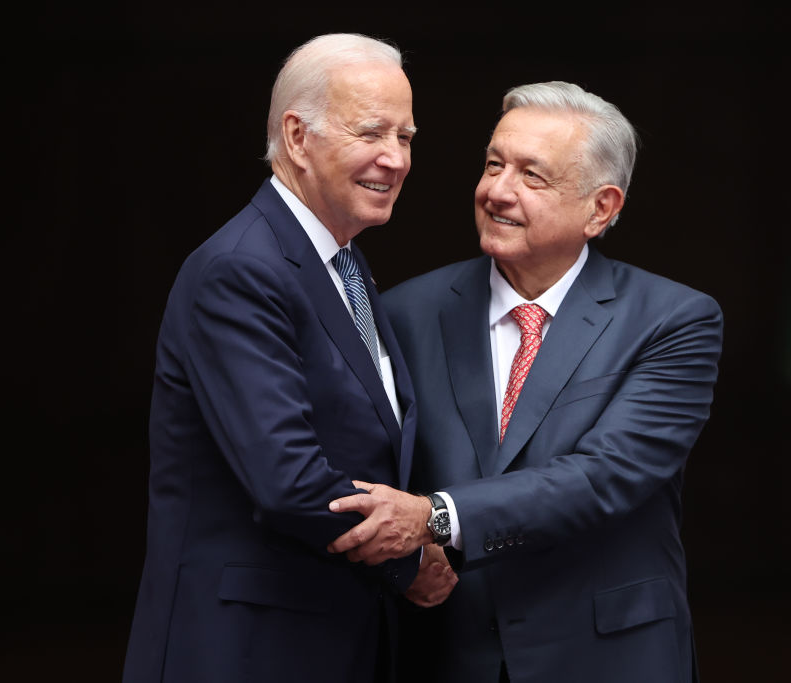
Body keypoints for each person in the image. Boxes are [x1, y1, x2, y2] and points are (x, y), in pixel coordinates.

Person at [327, 81, 723, 682]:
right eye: (493, 165)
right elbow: (370, 470)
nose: (496, 192)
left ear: (602, 208)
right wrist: (401, 566)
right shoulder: (404, 313)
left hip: (607, 655)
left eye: (532, 176)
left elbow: (606, 475)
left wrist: (436, 516)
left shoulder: (672, 320)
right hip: (446, 650)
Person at [123, 33, 454, 683]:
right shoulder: (241, 269)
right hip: (245, 649)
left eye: (407, 137)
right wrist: (409, 559)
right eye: (371, 133)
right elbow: (290, 480)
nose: (395, 159)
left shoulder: (345, 266)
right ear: (297, 137)